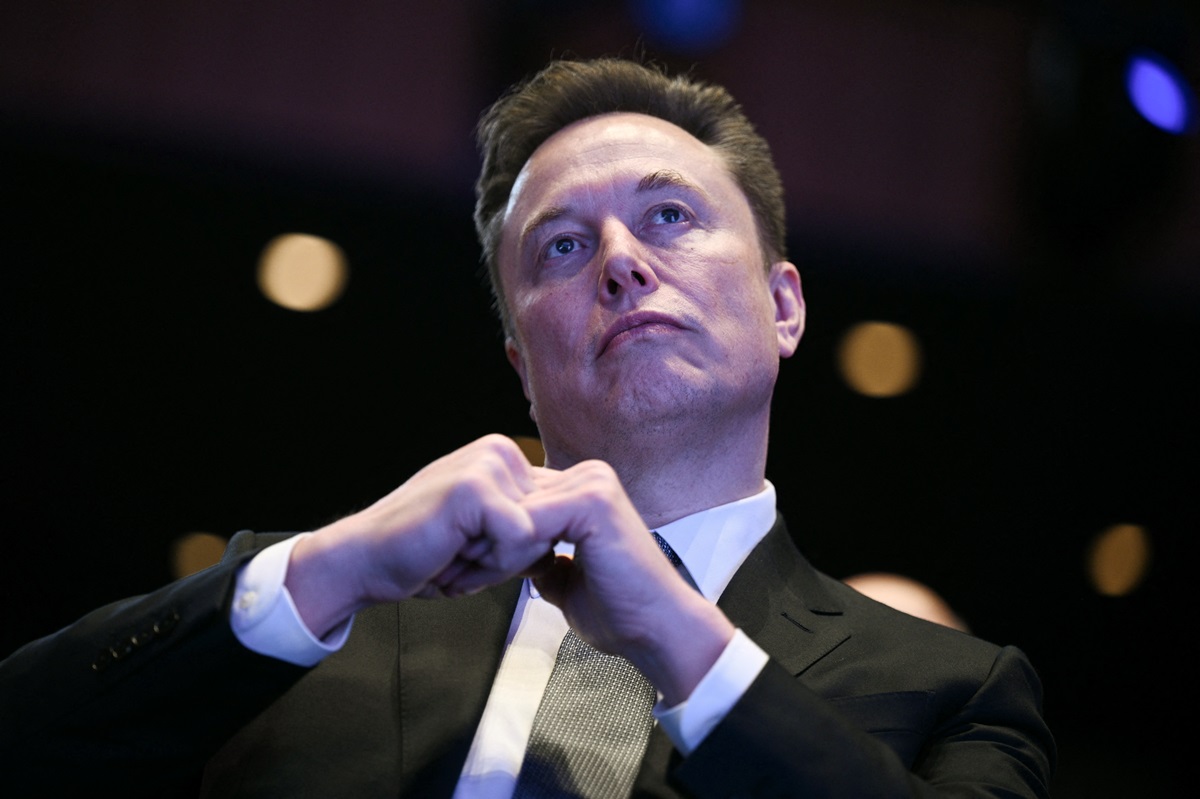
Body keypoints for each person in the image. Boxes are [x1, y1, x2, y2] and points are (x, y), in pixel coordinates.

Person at [0, 58, 1054, 797]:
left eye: (670, 216)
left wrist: (680, 638)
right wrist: (328, 566)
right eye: (561, 246)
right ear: (521, 364)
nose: (621, 261)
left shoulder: (954, 691)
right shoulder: (333, 616)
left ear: (784, 306)